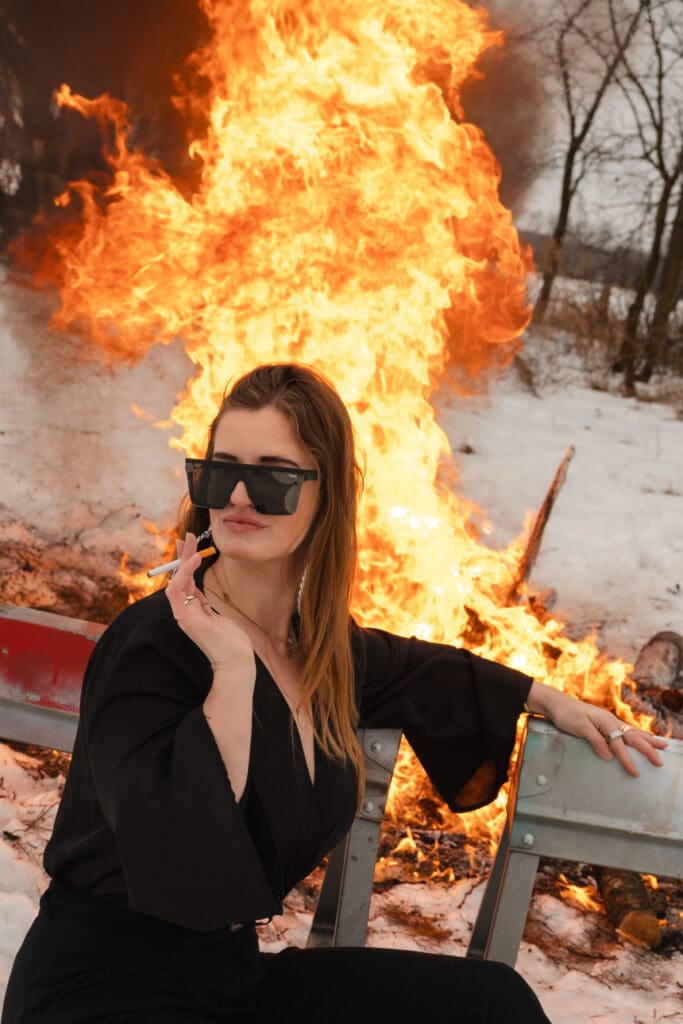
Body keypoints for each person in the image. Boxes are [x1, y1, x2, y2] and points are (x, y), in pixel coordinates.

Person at [2, 363, 666, 1024]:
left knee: (492, 1004)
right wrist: (231, 675)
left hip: (225, 981)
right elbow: (180, 861)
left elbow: (410, 668)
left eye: (270, 477)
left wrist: (547, 697)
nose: (236, 495)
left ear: (328, 495)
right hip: (104, 990)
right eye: (219, 470)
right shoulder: (152, 648)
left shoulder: (316, 649)